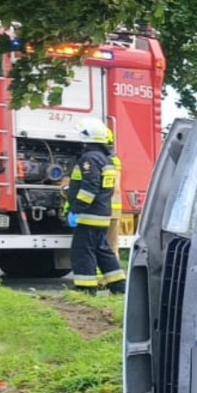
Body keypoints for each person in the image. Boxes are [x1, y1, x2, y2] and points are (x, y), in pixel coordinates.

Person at [66, 118, 125, 294]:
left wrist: (76, 209)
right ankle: (119, 285)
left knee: (83, 252)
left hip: (89, 214)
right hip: (101, 213)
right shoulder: (105, 159)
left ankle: (86, 288)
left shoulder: (89, 159)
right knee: (103, 251)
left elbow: (89, 188)